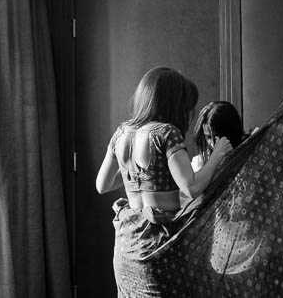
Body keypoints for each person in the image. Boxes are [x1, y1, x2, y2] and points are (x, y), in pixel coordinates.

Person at [95, 67, 233, 297]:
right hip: (158, 245)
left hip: (125, 247)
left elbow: (102, 185)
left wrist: (130, 171)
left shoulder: (121, 133)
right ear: (173, 102)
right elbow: (191, 187)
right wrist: (218, 154)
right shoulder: (166, 133)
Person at [190, 101, 247, 172]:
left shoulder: (250, 153)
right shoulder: (200, 163)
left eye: (218, 135)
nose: (213, 143)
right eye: (208, 137)